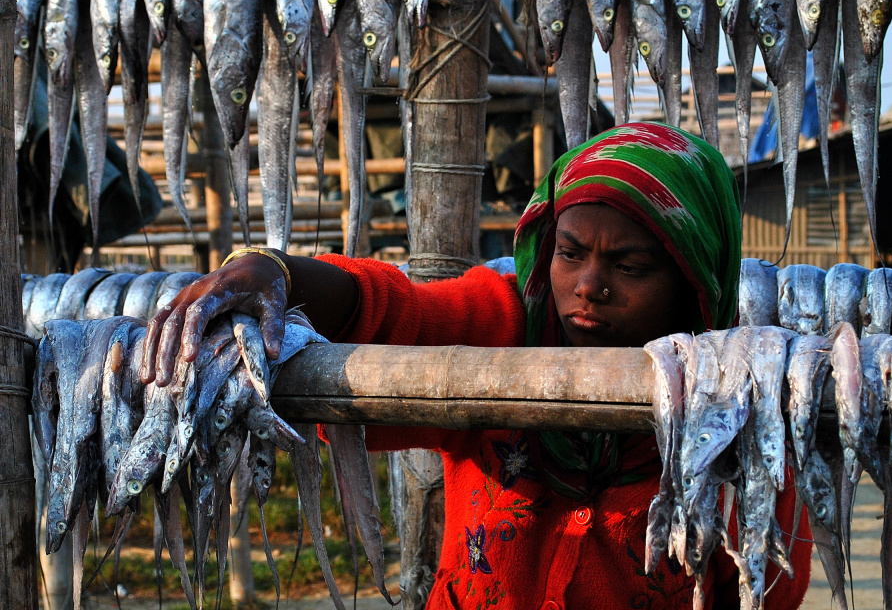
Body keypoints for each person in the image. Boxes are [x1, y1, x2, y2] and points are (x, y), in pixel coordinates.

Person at [142, 122, 812, 610]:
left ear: (697, 282)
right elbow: (391, 311)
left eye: (631, 266)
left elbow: (765, 590)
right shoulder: (506, 320)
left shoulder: (741, 407)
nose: (589, 286)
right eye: (570, 253)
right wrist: (275, 270)